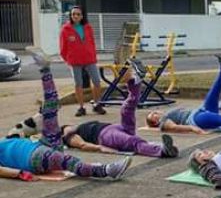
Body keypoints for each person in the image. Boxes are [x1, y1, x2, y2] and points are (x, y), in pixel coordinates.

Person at [0, 50, 131, 180]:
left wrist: (42, 115)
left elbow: (27, 127)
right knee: (69, 161)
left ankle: (45, 69)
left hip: (42, 144)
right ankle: (105, 170)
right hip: (33, 158)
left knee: (51, 107)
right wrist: (20, 174)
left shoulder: (7, 138)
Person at [62, 66, 179, 158]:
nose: (70, 126)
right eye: (66, 127)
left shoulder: (77, 128)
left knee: (126, 109)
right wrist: (101, 148)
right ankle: (162, 151)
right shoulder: (69, 137)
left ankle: (135, 82)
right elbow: (83, 145)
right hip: (105, 136)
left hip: (115, 128)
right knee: (132, 142)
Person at [145, 55, 221, 133]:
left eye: (153, 112)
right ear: (155, 122)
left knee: (213, 93)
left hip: (200, 111)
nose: (155, 113)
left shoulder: (165, 115)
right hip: (196, 119)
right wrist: (192, 129)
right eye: (153, 115)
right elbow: (174, 127)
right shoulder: (163, 121)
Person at [59, 6, 106, 117]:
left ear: (82, 16)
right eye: (73, 14)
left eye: (78, 14)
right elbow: (62, 48)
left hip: (89, 59)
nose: (75, 16)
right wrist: (68, 60)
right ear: (70, 16)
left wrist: (93, 56)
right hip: (74, 61)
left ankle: (97, 104)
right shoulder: (65, 29)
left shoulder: (88, 27)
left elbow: (92, 43)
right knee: (78, 84)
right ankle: (81, 107)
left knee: (97, 82)